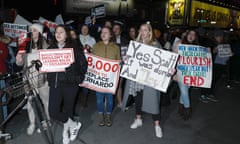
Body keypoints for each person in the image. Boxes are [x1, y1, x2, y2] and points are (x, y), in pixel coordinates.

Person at [47, 25, 87, 144]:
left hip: (70, 84)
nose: (58, 34)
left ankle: (65, 133)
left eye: (61, 32)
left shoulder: (74, 48)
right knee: (53, 111)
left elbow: (83, 66)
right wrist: (40, 66)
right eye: (56, 32)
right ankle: (74, 124)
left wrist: (77, 77)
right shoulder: (50, 48)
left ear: (67, 34)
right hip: (55, 84)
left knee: (68, 110)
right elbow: (45, 65)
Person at [123, 22, 163, 138]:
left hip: (150, 79)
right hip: (137, 79)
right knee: (138, 99)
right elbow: (130, 59)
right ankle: (138, 119)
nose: (143, 32)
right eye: (141, 30)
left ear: (149, 32)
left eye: (145, 30)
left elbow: (162, 62)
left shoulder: (155, 44)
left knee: (154, 101)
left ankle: (157, 125)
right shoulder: (135, 44)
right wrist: (126, 59)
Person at [15, 23, 50, 135]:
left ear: (39, 32)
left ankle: (47, 121)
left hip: (42, 77)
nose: (32, 32)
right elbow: (19, 63)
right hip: (28, 77)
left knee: (45, 100)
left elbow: (50, 61)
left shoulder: (45, 45)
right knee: (30, 101)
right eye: (30, 30)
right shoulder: (24, 45)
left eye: (34, 30)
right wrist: (19, 59)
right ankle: (32, 123)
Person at [92, 26, 121, 127]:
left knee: (110, 99)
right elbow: (92, 61)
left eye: (106, 32)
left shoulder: (116, 47)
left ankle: (108, 115)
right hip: (99, 78)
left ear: (110, 35)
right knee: (99, 99)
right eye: (102, 32)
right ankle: (100, 115)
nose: (103, 34)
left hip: (111, 79)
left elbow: (119, 62)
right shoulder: (95, 46)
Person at [172, 29, 201, 120]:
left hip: (191, 73)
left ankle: (180, 107)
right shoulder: (180, 44)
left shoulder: (197, 47)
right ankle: (187, 110)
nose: (191, 36)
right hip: (180, 71)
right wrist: (175, 73)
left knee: (185, 91)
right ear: (186, 35)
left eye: (194, 34)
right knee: (184, 91)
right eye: (190, 34)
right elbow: (173, 58)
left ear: (195, 37)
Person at [79, 24, 96, 107]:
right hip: (78, 63)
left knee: (86, 82)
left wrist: (90, 49)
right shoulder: (77, 38)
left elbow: (95, 51)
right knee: (78, 81)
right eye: (83, 28)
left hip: (88, 64)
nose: (84, 30)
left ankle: (84, 99)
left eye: (86, 29)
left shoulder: (92, 39)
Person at [112, 21, 128, 108]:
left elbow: (126, 55)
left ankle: (120, 102)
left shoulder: (125, 41)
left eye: (117, 29)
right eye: (114, 28)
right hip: (110, 67)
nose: (115, 30)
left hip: (121, 66)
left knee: (119, 85)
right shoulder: (109, 40)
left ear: (120, 31)